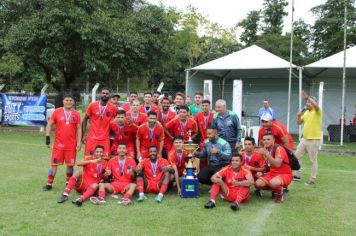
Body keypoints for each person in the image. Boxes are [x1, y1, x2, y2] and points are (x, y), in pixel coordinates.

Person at [43, 95, 82, 191]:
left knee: (70, 165)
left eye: (70, 100)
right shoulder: (57, 111)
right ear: (63, 101)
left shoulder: (76, 114)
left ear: (73, 102)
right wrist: (47, 138)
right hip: (58, 145)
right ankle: (49, 184)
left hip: (71, 146)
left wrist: (79, 142)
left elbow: (79, 128)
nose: (68, 102)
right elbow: (49, 124)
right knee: (54, 164)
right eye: (66, 100)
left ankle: (68, 183)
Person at [294, 91, 322, 185]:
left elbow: (316, 105)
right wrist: (298, 116)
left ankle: (312, 180)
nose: (307, 104)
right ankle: (297, 174)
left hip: (314, 140)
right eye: (307, 103)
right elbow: (299, 123)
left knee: (313, 160)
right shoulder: (306, 113)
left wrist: (307, 97)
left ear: (313, 104)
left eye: (309, 103)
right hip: (304, 139)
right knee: (296, 157)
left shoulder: (317, 111)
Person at [255, 133, 293, 203]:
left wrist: (266, 154)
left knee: (273, 182)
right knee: (258, 184)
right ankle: (275, 190)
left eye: (268, 139)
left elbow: (277, 164)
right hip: (272, 173)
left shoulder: (279, 149)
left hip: (285, 174)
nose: (266, 141)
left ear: (274, 140)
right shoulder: (265, 149)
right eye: (264, 140)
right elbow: (267, 166)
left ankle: (279, 193)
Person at [82, 87, 118, 157]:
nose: (105, 95)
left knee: (104, 159)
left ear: (109, 95)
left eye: (107, 94)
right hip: (92, 137)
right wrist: (84, 134)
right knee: (89, 158)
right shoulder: (92, 105)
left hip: (105, 138)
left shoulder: (113, 108)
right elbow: (85, 119)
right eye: (103, 93)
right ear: (100, 94)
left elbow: (118, 121)